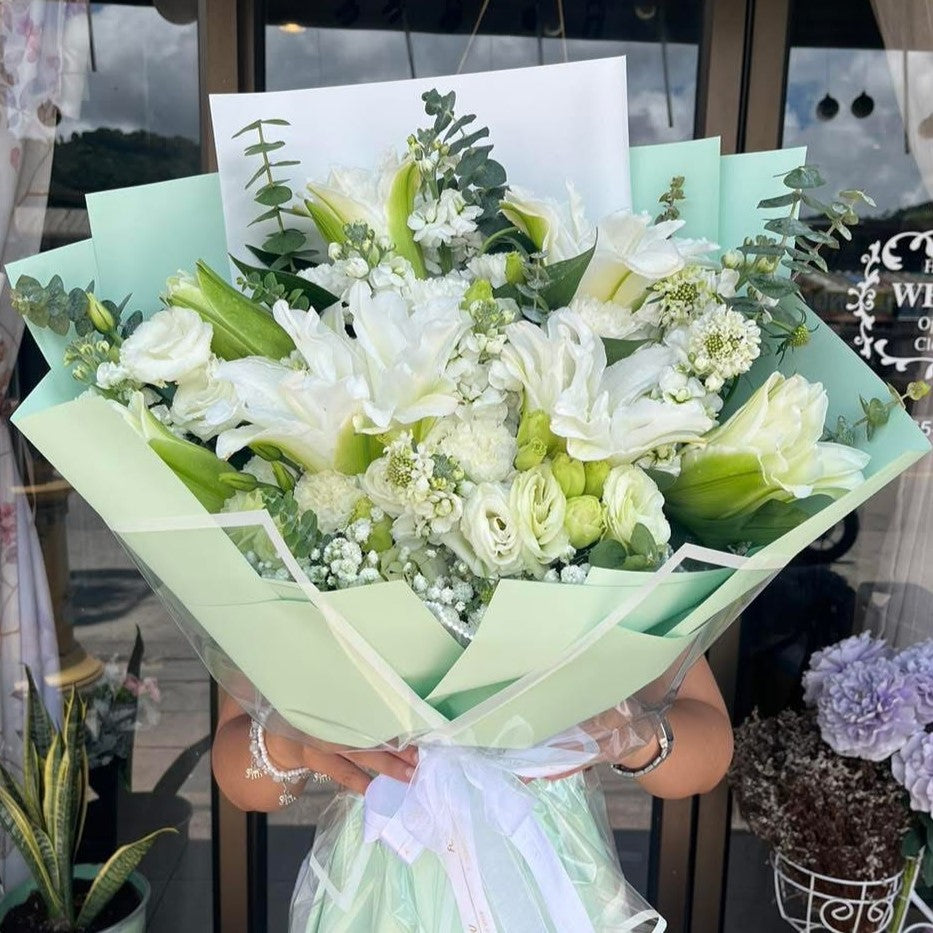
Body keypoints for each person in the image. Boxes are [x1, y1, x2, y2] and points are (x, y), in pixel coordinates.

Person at [212, 655, 733, 809]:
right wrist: (289, 741)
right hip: (375, 873)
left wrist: (635, 736)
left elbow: (710, 752)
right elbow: (243, 783)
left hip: (553, 868)